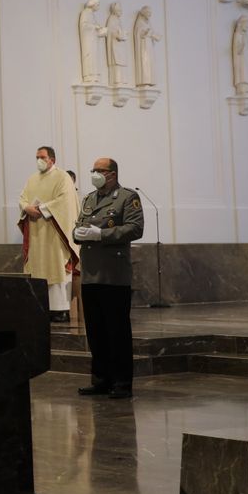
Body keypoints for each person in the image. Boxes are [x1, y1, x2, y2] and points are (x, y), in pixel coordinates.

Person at [73, 158, 143, 399]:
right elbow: (79, 224)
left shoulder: (127, 197)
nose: (94, 174)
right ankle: (101, 380)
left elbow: (135, 228)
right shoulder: (89, 199)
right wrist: (78, 233)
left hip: (113, 275)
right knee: (96, 331)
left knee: (117, 331)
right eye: (93, 170)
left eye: (99, 170)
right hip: (91, 274)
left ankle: (122, 383)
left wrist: (101, 234)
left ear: (112, 174)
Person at [18, 147, 79, 323]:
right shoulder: (32, 179)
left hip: (55, 233)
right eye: (37, 157)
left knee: (57, 266)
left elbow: (65, 201)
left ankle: (60, 310)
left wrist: (42, 209)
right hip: (37, 234)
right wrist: (26, 208)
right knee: (38, 269)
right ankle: (41, 307)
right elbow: (22, 198)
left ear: (52, 159)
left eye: (42, 157)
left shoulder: (62, 177)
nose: (39, 160)